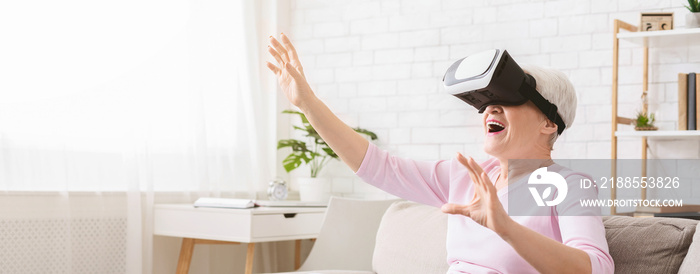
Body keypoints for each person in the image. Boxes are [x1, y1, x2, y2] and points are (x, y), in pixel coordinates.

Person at [266, 33, 614, 274]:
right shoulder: (465, 175)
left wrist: (506, 227)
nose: (491, 111)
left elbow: (595, 268)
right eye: (488, 103)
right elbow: (376, 166)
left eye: (507, 101)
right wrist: (307, 103)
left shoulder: (569, 186)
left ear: (549, 124)